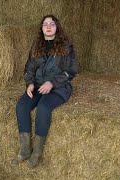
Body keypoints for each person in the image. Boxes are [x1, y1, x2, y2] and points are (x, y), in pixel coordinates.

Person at [13, 14, 79, 168]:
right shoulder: (36, 47)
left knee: (43, 107)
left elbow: (72, 70)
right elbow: (29, 68)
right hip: (37, 86)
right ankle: (24, 151)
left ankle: (36, 153)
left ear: (57, 27)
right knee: (22, 106)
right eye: (45, 24)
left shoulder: (66, 47)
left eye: (52, 24)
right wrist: (29, 83)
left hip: (59, 87)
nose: (48, 26)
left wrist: (52, 83)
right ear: (41, 28)